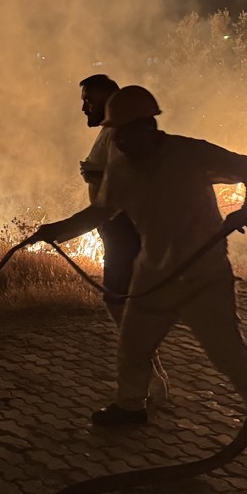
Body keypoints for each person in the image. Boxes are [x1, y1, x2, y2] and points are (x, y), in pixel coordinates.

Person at [27, 85, 247, 462]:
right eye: (115, 131)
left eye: (123, 130)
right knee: (132, 346)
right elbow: (102, 210)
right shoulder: (122, 165)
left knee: (229, 355)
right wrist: (55, 231)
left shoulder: (191, 153)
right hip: (154, 274)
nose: (117, 138)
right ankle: (130, 406)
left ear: (148, 126)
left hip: (203, 275)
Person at [78, 74, 168, 401]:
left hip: (123, 229)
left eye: (90, 99)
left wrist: (96, 173)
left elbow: (134, 174)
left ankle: (146, 381)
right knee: (122, 302)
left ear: (111, 101)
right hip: (115, 229)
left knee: (121, 303)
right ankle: (151, 374)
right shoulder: (109, 133)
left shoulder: (119, 134)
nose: (85, 106)